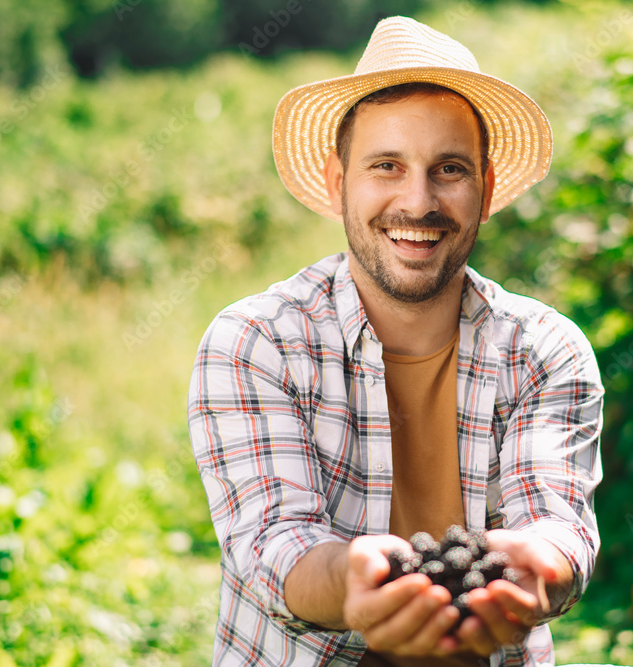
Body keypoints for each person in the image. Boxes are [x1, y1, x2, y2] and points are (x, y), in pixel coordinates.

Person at [188, 15, 604, 667]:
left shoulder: (544, 350)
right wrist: (357, 581)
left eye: (450, 169)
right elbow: (273, 545)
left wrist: (538, 563)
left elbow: (555, 520)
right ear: (337, 182)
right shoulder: (255, 341)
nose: (418, 201)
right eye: (387, 166)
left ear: (486, 189)